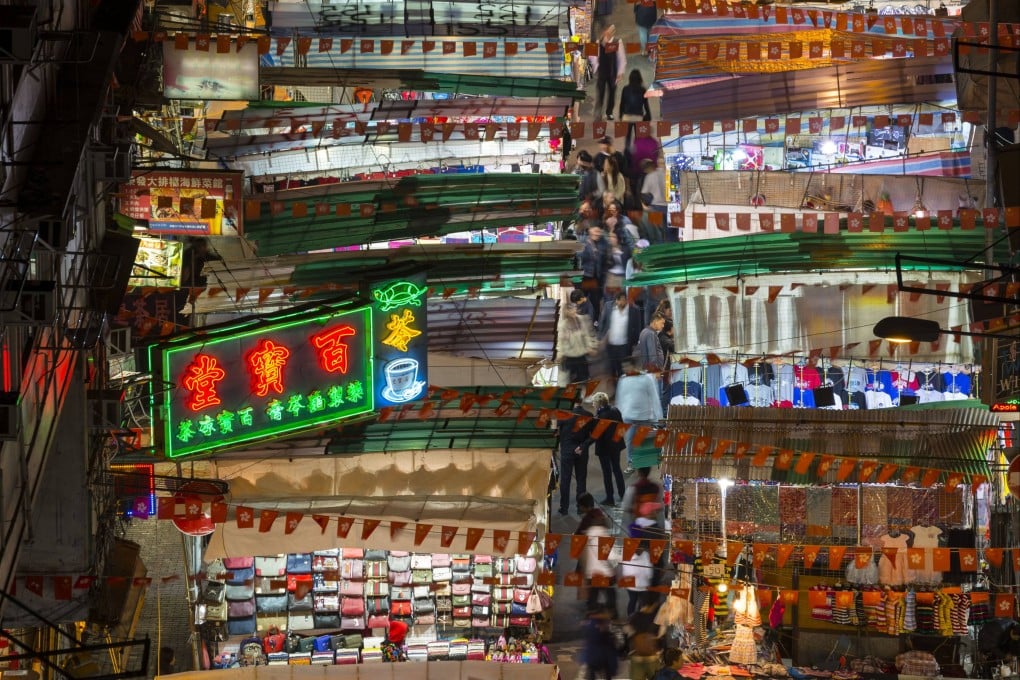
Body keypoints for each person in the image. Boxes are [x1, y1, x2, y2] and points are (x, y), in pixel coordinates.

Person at [615, 363, 663, 472]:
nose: (626, 370)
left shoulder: (647, 379)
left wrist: (658, 417)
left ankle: (644, 465)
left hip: (644, 417)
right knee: (630, 440)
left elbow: (654, 397)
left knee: (643, 441)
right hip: (629, 416)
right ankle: (631, 463)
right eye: (624, 368)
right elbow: (620, 397)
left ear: (635, 367)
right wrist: (619, 415)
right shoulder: (623, 379)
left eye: (627, 367)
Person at [576, 493, 617, 617]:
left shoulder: (587, 530)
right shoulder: (604, 533)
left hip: (592, 573)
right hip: (605, 574)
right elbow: (613, 556)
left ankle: (591, 616)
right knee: (611, 597)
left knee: (592, 597)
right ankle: (612, 615)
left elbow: (578, 540)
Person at [557, 398, 596, 516]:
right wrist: (583, 446)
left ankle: (564, 508)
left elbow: (557, 432)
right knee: (581, 479)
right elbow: (594, 435)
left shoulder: (563, 415)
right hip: (581, 451)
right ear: (582, 401)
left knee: (565, 480)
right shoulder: (589, 415)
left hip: (567, 450)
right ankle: (581, 508)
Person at [591, 392, 626, 506]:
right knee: (617, 469)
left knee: (607, 473)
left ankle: (610, 498)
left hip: (604, 448)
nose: (593, 404)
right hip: (616, 445)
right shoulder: (615, 410)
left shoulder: (600, 416)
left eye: (594, 402)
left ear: (599, 403)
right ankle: (622, 494)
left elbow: (597, 434)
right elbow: (622, 426)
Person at [598, 291, 642, 378]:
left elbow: (638, 327)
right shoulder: (608, 306)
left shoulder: (634, 310)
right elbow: (602, 323)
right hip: (610, 346)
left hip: (625, 347)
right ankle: (614, 387)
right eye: (620, 301)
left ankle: (623, 386)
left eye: (624, 300)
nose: (622, 302)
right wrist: (601, 338)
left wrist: (635, 343)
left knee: (623, 370)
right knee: (611, 370)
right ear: (616, 301)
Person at [557, 294, 599, 385]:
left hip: (582, 356)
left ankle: (583, 397)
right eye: (569, 309)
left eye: (573, 308)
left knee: (584, 381)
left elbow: (590, 334)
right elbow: (560, 342)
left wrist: (592, 346)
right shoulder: (562, 325)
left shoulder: (583, 319)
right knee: (571, 384)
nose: (572, 311)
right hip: (569, 358)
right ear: (565, 311)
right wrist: (559, 354)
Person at [592, 25, 627, 121]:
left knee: (612, 93)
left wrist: (620, 72)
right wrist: (596, 68)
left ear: (613, 32)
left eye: (610, 31)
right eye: (607, 31)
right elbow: (593, 56)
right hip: (602, 72)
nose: (607, 33)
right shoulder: (599, 42)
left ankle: (609, 112)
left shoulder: (617, 42)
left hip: (613, 72)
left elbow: (621, 58)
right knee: (600, 92)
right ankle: (598, 111)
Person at [626, 591, 663, 680]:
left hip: (636, 657)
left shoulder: (632, 618)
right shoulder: (657, 619)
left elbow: (627, 636)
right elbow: (661, 636)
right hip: (653, 657)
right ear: (655, 603)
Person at [578, 226, 607, 322]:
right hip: (586, 277)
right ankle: (580, 319)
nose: (598, 233)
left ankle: (595, 322)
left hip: (596, 278)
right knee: (582, 299)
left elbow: (603, 260)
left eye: (599, 231)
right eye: (595, 231)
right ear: (590, 231)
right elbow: (579, 255)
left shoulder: (601, 244)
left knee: (596, 302)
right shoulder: (584, 242)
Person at [582, 609, 619, 680]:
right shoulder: (603, 624)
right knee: (605, 674)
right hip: (603, 656)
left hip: (593, 656)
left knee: (592, 674)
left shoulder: (590, 624)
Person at [620, 542, 654, 616]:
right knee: (642, 603)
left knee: (632, 601)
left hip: (631, 585)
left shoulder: (627, 553)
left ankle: (630, 618)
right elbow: (649, 572)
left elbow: (625, 570)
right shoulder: (646, 555)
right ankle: (639, 619)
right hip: (643, 585)